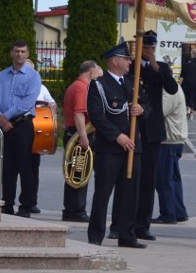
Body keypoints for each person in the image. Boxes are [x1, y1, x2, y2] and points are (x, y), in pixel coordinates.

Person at [87, 42, 150, 248]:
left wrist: (141, 110)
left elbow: (149, 105)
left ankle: (127, 235)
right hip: (110, 149)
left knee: (129, 193)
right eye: (126, 59)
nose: (130, 62)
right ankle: (96, 236)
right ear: (115, 61)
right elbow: (97, 115)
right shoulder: (99, 85)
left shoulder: (133, 83)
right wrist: (117, 136)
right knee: (103, 193)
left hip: (133, 148)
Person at [133, 30, 179, 241]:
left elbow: (171, 88)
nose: (149, 51)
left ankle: (143, 225)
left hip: (152, 130)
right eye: (145, 47)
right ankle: (120, 223)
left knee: (149, 180)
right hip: (133, 127)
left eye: (152, 47)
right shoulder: (130, 66)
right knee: (128, 179)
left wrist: (155, 65)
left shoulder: (161, 67)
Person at [0, 40, 42, 217]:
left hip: (22, 125)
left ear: (27, 54)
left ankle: (26, 206)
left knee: (25, 166)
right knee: (8, 167)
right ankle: (7, 204)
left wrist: (7, 116)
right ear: (11, 53)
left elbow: (28, 102)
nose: (19, 54)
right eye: (16, 51)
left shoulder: (33, 76)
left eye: (23, 51)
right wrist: (0, 116)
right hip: (5, 126)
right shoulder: (2, 75)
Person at [62, 60, 102, 222]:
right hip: (79, 134)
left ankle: (71, 210)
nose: (98, 80)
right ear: (91, 72)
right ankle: (77, 210)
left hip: (74, 133)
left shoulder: (75, 85)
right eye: (97, 76)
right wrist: (84, 136)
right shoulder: (82, 88)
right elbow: (79, 114)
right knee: (80, 173)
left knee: (75, 172)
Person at [153, 82, 189, 224]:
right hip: (174, 139)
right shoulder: (173, 87)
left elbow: (160, 111)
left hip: (168, 140)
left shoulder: (168, 89)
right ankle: (179, 211)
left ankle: (168, 212)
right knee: (173, 179)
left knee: (164, 179)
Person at [26, 58, 55, 214]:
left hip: (37, 133)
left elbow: (52, 105)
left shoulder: (41, 88)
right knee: (14, 169)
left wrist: (50, 106)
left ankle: (31, 202)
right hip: (21, 130)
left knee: (33, 170)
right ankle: (8, 201)